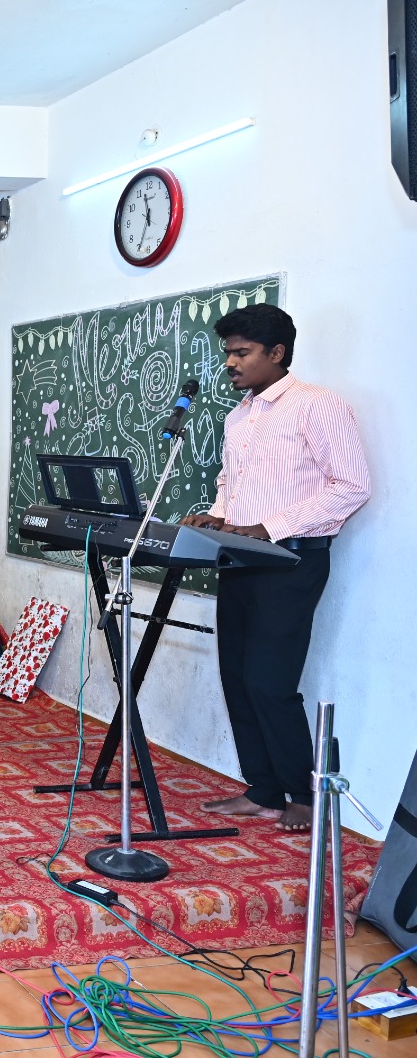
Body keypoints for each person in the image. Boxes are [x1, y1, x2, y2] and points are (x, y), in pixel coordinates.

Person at [184, 304, 370, 832]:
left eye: (241, 352)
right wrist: (219, 516)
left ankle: (303, 795)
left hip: (292, 561)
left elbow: (351, 486)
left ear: (277, 352)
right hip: (238, 558)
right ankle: (263, 789)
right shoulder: (238, 417)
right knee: (237, 677)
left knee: (270, 681)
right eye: (228, 352)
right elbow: (231, 483)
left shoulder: (317, 405)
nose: (230, 362)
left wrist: (269, 527)